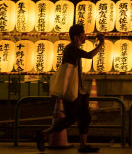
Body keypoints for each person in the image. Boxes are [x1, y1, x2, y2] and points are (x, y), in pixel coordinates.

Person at [36, 25, 104, 153]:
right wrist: (101, 43)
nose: (85, 36)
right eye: (83, 34)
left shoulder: (74, 48)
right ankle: (45, 134)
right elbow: (89, 55)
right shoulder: (71, 48)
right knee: (71, 118)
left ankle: (83, 145)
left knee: (85, 117)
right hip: (72, 92)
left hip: (80, 91)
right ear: (76, 37)